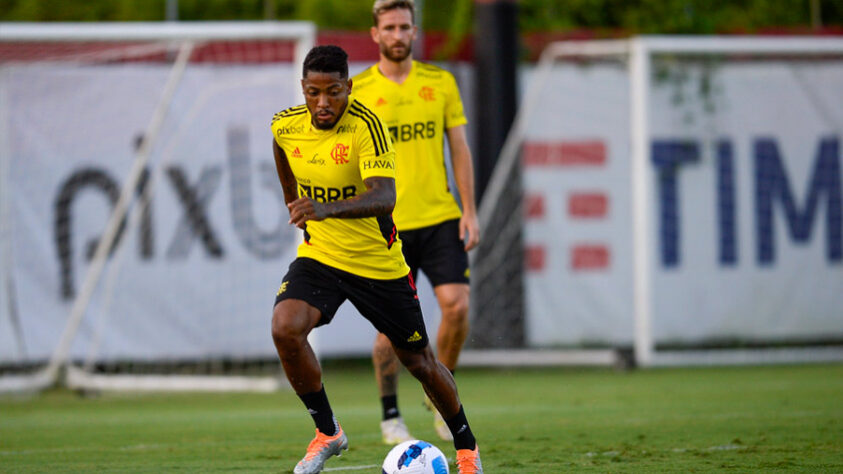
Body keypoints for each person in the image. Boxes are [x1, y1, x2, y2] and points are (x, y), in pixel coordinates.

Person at [270, 45, 483, 474]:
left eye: (333, 92)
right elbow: (281, 151)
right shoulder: (285, 124)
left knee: (419, 361)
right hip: (322, 255)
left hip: (377, 264)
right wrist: (294, 201)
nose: (324, 103)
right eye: (314, 92)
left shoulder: (367, 125)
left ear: (348, 87)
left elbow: (385, 197)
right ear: (303, 89)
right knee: (285, 328)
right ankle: (327, 433)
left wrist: (323, 208)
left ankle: (466, 448)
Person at [352, 0, 480, 445]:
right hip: (389, 226)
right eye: (389, 27)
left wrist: (470, 209)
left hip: (441, 216)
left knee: (458, 308)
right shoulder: (360, 90)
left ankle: (440, 395)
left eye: (405, 26)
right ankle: (390, 414)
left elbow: (459, 148)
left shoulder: (440, 82)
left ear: (414, 31)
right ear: (375, 34)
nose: (398, 34)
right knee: (391, 332)